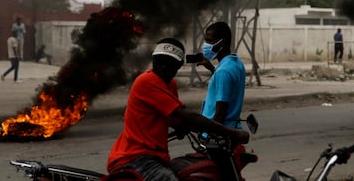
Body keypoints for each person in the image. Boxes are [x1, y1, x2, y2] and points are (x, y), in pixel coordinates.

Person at [106, 38, 249, 181]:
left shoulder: (170, 84)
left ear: (178, 66)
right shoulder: (147, 81)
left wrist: (187, 128)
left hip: (155, 157)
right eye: (159, 61)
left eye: (168, 64)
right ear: (154, 60)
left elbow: (179, 120)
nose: (162, 66)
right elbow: (187, 116)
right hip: (135, 157)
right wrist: (232, 133)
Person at [198, 22, 246, 129]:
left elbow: (220, 115)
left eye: (210, 41)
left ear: (222, 42)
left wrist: (208, 134)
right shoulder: (236, 63)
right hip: (232, 128)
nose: (206, 46)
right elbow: (226, 84)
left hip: (219, 137)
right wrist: (212, 69)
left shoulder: (223, 72)